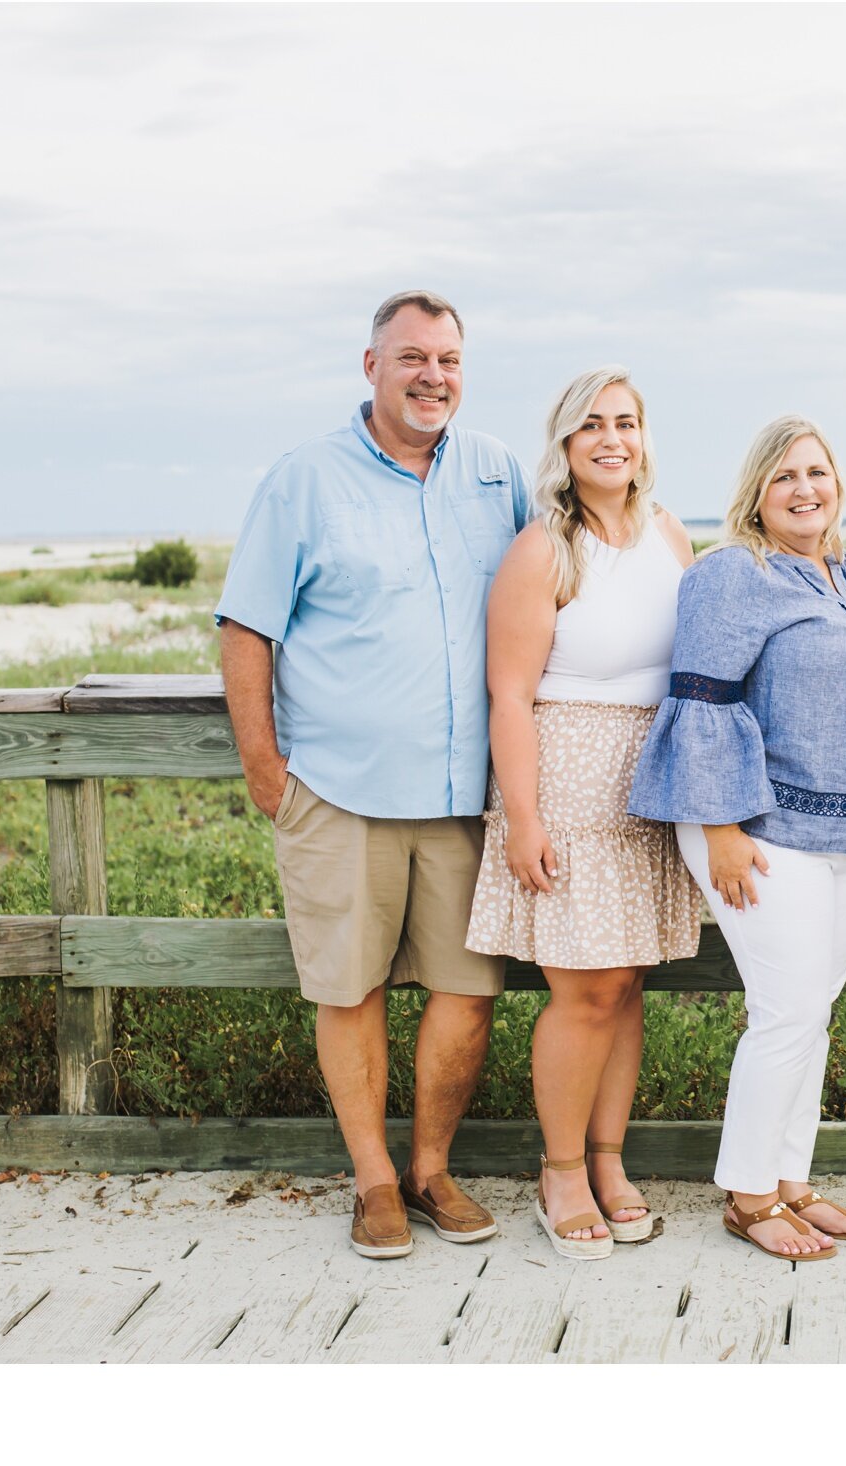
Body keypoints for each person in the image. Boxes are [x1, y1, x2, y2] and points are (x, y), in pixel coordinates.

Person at [216, 290, 529, 1259]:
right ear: (371, 367)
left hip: (463, 797)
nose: (432, 376)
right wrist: (269, 770)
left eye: (448, 360)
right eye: (412, 359)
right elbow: (245, 627)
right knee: (345, 991)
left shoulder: (497, 474)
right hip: (339, 790)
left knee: (467, 992)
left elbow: (549, 593)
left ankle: (432, 1167)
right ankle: (375, 1181)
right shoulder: (303, 479)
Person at [628, 416, 846, 1261]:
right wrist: (716, 828)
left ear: (838, 486)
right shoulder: (731, 574)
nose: (805, 489)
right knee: (785, 1011)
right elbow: (701, 702)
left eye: (818, 473)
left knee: (811, 1015)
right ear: (756, 490)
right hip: (759, 828)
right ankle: (750, 1197)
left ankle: (793, 1182)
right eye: (785, 476)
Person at [465, 367, 698, 1260]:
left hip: (652, 783)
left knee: (628, 980)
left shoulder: (668, 534)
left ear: (644, 438)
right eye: (593, 424)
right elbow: (511, 695)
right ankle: (560, 1170)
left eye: (627, 423)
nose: (612, 439)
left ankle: (609, 1159)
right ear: (566, 444)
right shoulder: (542, 549)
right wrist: (523, 819)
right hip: (567, 778)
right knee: (583, 987)